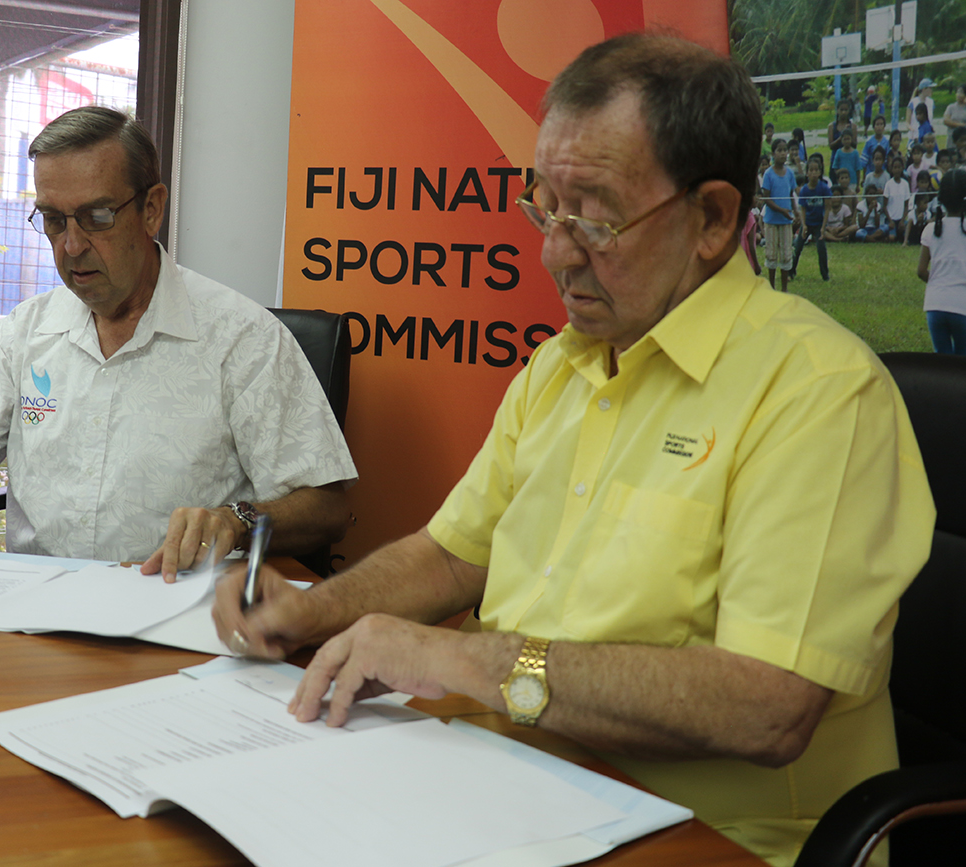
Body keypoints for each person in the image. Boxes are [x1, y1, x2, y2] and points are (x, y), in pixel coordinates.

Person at [214, 33, 933, 867]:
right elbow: (452, 555)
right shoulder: (562, 365)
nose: (555, 251)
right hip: (513, 786)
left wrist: (465, 659)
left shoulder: (818, 391)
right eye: (545, 207)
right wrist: (312, 610)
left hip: (705, 837)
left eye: (593, 217)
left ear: (712, 219)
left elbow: (766, 707)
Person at [0, 106, 358, 578]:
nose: (72, 245)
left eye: (97, 217)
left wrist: (236, 521)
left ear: (151, 209)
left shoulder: (242, 339)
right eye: (54, 221)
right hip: (33, 611)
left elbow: (327, 508)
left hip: (172, 610)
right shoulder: (25, 334)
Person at [919, 167, 966, 354]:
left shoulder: (931, 229)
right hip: (962, 306)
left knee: (942, 362)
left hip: (935, 305)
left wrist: (939, 282)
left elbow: (921, 271)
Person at [761, 139, 797, 291]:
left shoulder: (789, 173)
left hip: (786, 221)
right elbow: (766, 198)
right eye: (779, 150)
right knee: (771, 254)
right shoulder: (768, 174)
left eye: (785, 150)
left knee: (786, 254)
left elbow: (791, 195)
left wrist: (796, 212)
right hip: (772, 220)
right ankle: (771, 287)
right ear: (773, 153)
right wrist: (781, 210)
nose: (783, 153)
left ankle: (784, 289)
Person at [792, 157, 832, 280]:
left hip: (819, 223)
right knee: (798, 247)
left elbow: (827, 208)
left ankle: (825, 275)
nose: (813, 173)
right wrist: (804, 225)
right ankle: (791, 271)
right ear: (807, 173)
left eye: (816, 170)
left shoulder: (824, 188)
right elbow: (803, 209)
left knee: (821, 249)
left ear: (820, 172)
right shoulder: (804, 190)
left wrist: (823, 227)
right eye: (811, 170)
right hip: (808, 223)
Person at [886, 155, 912, 244]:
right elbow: (885, 206)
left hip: (901, 219)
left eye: (899, 167)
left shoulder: (905, 184)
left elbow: (906, 205)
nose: (897, 170)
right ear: (891, 169)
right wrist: (890, 220)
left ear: (902, 168)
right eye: (895, 167)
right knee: (892, 238)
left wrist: (902, 220)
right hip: (891, 219)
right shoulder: (888, 184)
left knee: (907, 236)